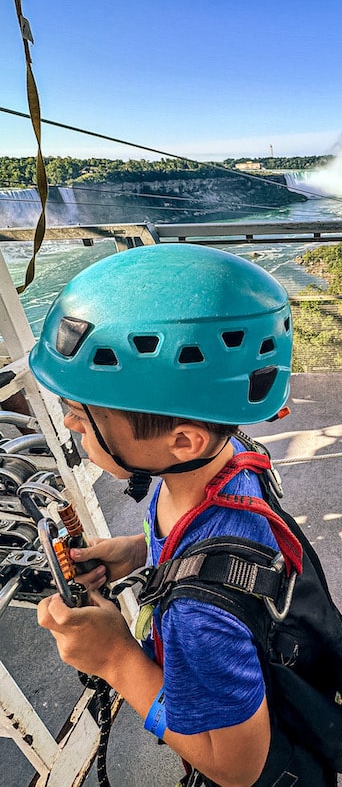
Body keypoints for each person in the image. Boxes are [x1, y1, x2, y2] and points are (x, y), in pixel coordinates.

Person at [30, 243, 302, 787]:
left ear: (182, 440)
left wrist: (116, 661)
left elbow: (237, 767)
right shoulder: (231, 465)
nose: (69, 423)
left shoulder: (197, 619)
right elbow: (210, 533)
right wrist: (140, 550)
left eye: (84, 414)